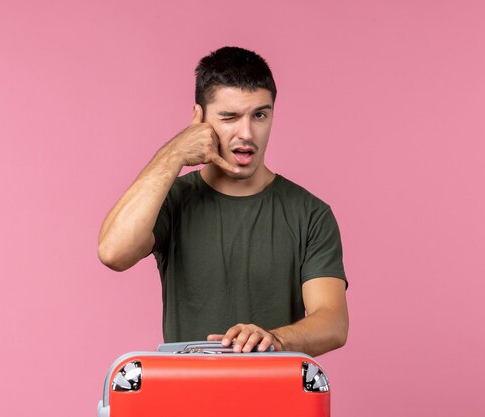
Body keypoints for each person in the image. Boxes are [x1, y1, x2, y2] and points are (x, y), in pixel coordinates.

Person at [98, 46, 348, 357]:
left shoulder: (310, 214)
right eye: (229, 117)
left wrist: (273, 339)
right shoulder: (172, 199)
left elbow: (333, 323)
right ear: (199, 119)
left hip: (277, 401)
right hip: (187, 399)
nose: (246, 133)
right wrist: (174, 153)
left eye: (259, 115)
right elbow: (113, 252)